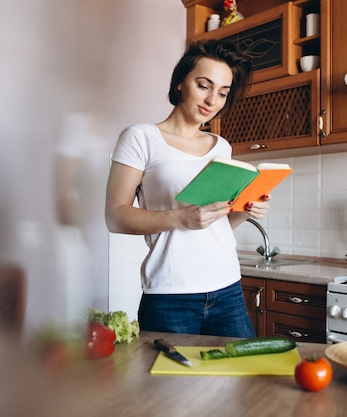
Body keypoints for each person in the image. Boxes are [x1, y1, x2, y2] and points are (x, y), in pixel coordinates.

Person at [105, 39, 270, 337]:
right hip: (170, 295)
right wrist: (181, 217)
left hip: (228, 289)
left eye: (222, 93)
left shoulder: (221, 146)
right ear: (181, 82)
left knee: (239, 381)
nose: (212, 100)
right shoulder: (140, 138)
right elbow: (115, 216)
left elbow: (215, 223)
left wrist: (246, 209)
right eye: (204, 85)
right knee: (170, 383)